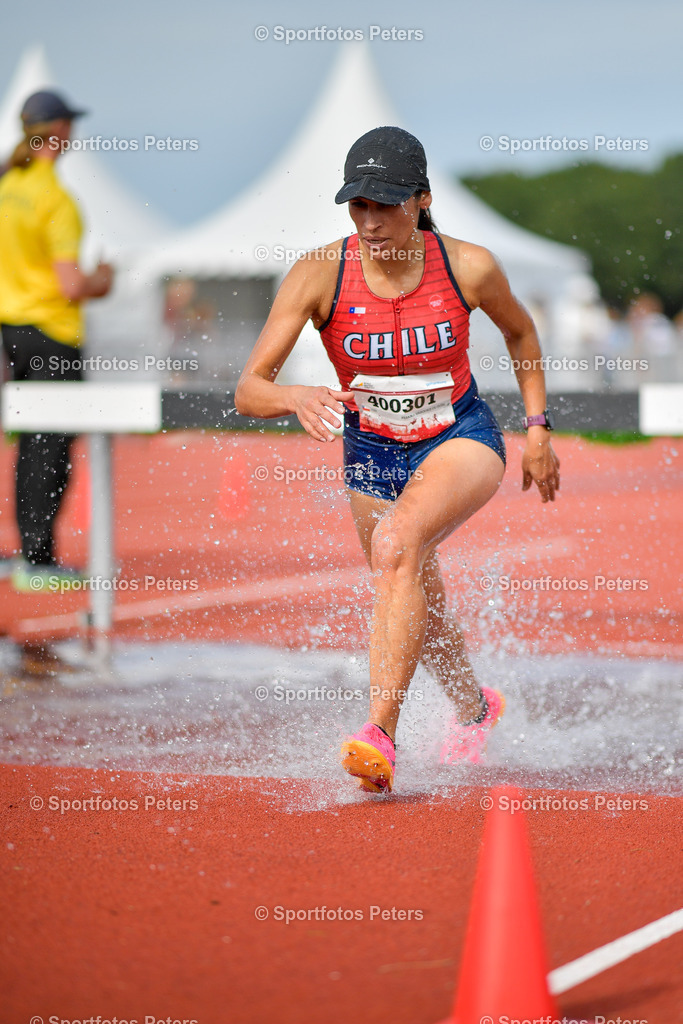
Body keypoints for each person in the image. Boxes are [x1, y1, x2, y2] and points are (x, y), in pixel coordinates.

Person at [235, 126, 560, 793]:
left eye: (385, 204)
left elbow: (520, 330)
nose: (370, 220)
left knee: (396, 543)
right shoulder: (317, 273)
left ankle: (377, 729)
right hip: (371, 454)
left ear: (420, 199)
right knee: (413, 592)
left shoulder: (466, 265)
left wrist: (536, 429)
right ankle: (474, 708)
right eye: (358, 205)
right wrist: (291, 394)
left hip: (459, 438)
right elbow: (248, 389)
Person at [0, 90, 114, 590]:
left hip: (9, 333)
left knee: (27, 443)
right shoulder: (55, 199)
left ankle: (21, 555)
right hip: (51, 335)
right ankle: (37, 561)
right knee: (49, 448)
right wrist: (103, 279)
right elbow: (71, 284)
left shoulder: (6, 187)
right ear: (60, 131)